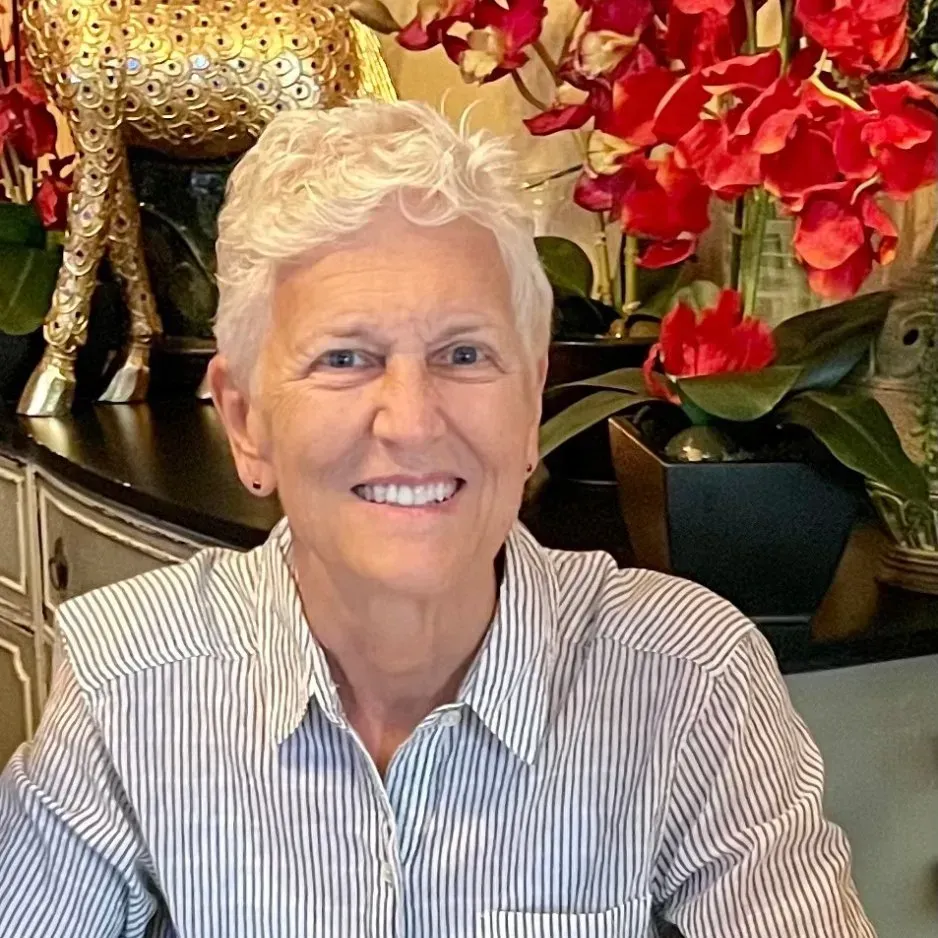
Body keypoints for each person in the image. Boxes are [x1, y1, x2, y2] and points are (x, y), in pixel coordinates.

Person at [0, 99, 875, 938]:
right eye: (345, 359)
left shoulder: (688, 682)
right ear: (244, 423)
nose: (412, 422)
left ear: (531, 401)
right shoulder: (129, 682)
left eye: (465, 354)